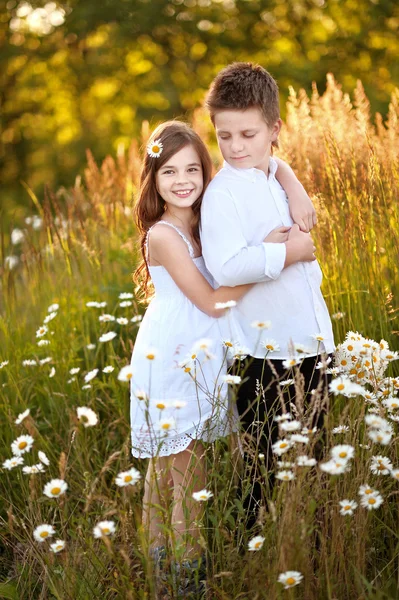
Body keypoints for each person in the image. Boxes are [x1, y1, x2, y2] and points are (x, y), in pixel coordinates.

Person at [130, 119, 316, 593]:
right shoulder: (164, 236)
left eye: (192, 169)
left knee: (167, 472)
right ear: (152, 179)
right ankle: (182, 583)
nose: (183, 181)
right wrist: (271, 256)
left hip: (201, 350)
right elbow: (214, 301)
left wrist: (292, 184)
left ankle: (158, 573)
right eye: (169, 172)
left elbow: (272, 164)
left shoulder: (202, 216)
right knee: (187, 478)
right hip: (175, 357)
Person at [201, 62, 335, 529]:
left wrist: (289, 176)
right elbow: (227, 267)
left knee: (313, 462)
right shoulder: (222, 193)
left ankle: (308, 553)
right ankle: (249, 556)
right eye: (225, 136)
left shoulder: (272, 174)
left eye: (248, 135)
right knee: (265, 471)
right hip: (262, 354)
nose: (236, 147)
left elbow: (272, 163)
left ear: (274, 129)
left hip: (312, 342)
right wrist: (289, 252)